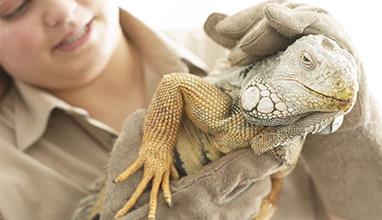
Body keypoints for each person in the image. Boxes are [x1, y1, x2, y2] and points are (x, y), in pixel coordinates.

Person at [0, 0, 381, 220]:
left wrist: (356, 130)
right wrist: (156, 148)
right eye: (15, 6)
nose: (63, 10)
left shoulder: (242, 46)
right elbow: (176, 86)